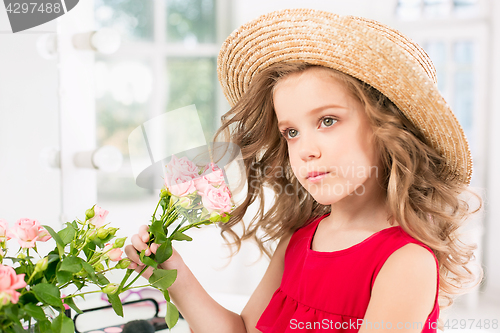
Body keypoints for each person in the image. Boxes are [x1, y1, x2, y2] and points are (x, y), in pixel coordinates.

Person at [125, 8, 483, 333]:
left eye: (328, 120)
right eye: (291, 132)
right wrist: (173, 275)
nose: (306, 151)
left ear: (387, 129)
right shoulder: (300, 241)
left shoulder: (406, 262)